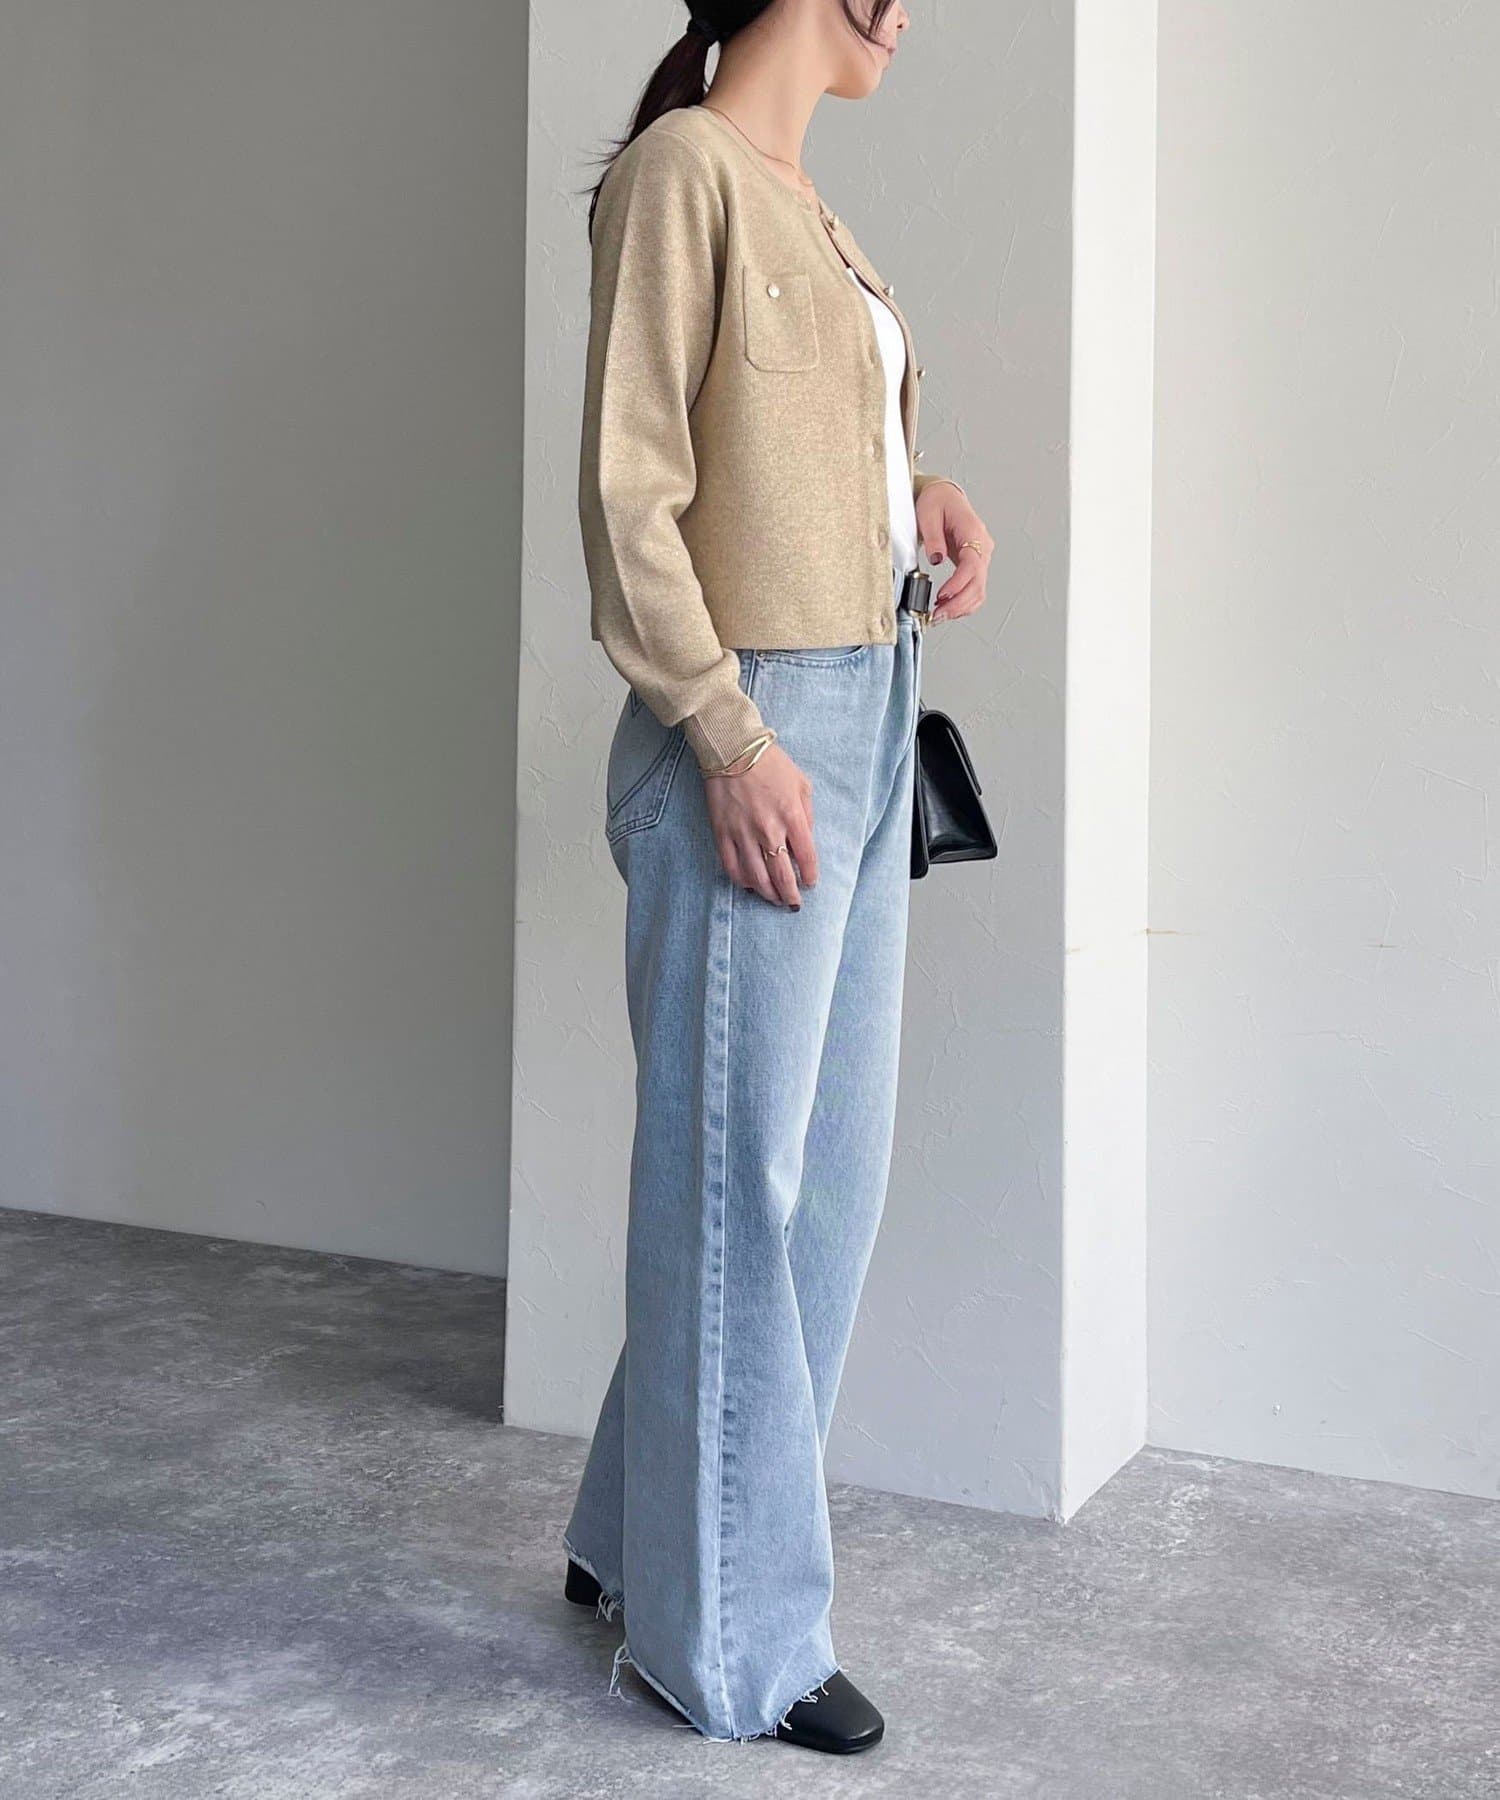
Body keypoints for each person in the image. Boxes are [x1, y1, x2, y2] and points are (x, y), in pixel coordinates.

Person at [561, 0, 993, 1754]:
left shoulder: (803, 199)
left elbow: (783, 444)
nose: (914, 14)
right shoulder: (685, 173)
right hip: (757, 722)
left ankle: (629, 1531)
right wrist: (727, 735)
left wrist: (917, 492)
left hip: (871, 702)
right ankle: (725, 1641)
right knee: (738, 1189)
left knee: (816, 1189)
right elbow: (629, 492)